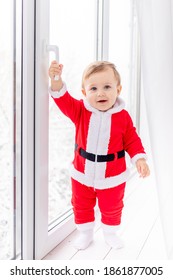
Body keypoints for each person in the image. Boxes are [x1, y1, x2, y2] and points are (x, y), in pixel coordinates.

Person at [48, 60, 150, 250]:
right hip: (82, 172)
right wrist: (56, 79)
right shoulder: (80, 111)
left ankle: (110, 233)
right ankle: (85, 233)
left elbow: (132, 139)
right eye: (93, 88)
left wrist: (140, 159)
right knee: (81, 204)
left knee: (112, 206)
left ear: (118, 89)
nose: (100, 93)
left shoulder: (123, 116)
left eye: (107, 87)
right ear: (85, 93)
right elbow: (63, 100)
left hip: (112, 175)